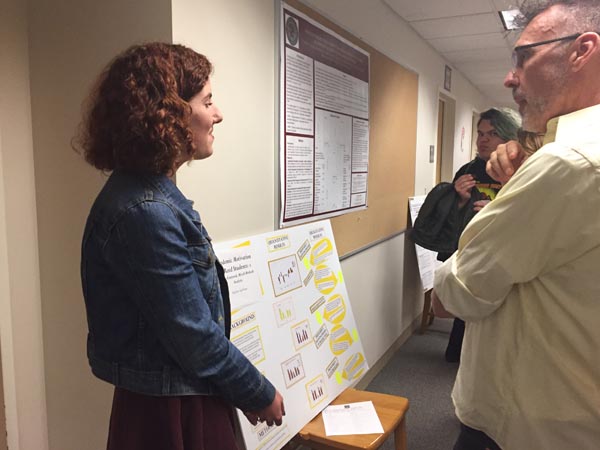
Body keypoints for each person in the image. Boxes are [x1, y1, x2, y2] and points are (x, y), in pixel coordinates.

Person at [75, 43, 285, 450]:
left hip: (184, 393)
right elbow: (193, 334)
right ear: (169, 113)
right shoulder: (144, 210)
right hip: (169, 409)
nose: (217, 114)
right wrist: (256, 391)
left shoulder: (152, 195)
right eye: (207, 101)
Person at [432, 0, 600, 449]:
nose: (510, 77)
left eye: (524, 57)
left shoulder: (569, 162)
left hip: (522, 425)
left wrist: (511, 196)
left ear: (582, 50)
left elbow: (453, 294)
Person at [443, 107, 520, 363]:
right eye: (480, 133)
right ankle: (459, 355)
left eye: (492, 133)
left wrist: (496, 210)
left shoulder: (521, 170)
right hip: (471, 249)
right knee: (466, 305)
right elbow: (450, 218)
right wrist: (459, 200)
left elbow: (530, 213)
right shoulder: (468, 170)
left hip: (506, 252)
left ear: (509, 136)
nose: (483, 140)